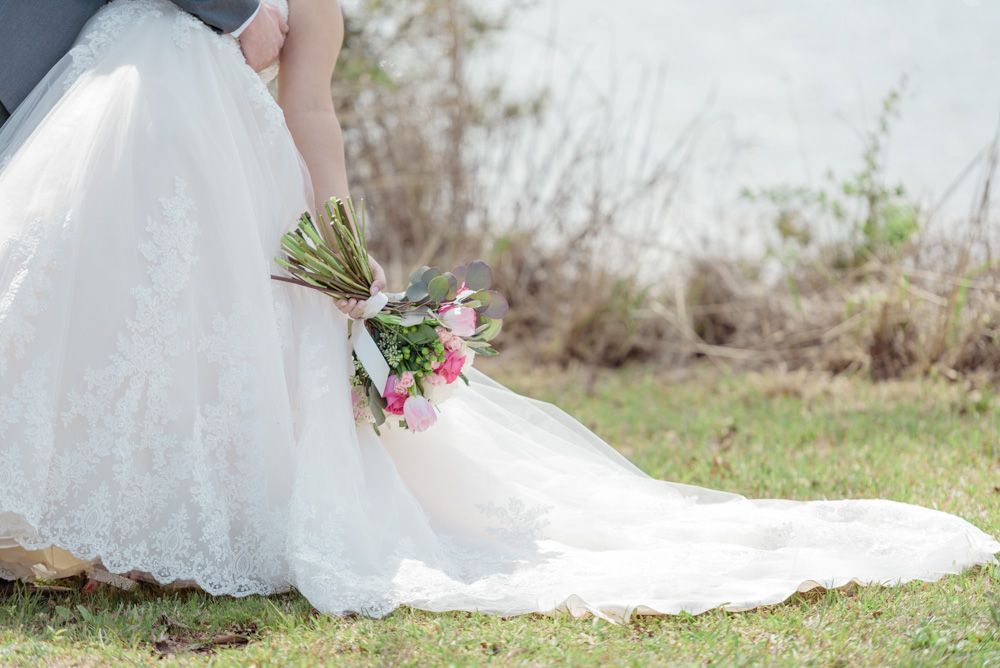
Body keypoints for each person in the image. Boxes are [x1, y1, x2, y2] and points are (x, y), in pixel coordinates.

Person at [0, 0, 996, 621]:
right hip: (97, 143)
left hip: (209, 169)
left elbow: (313, 114)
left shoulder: (313, 6)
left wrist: (342, 254)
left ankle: (115, 527)